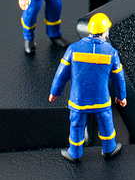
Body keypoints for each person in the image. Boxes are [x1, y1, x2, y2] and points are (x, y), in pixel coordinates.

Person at [49, 12, 127, 162]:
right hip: (101, 99)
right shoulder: (111, 53)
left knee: (77, 125)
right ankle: (109, 149)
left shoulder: (73, 48)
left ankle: (74, 153)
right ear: (105, 31)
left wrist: (55, 92)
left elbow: (61, 74)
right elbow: (119, 78)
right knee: (106, 123)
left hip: (79, 100)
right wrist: (121, 96)